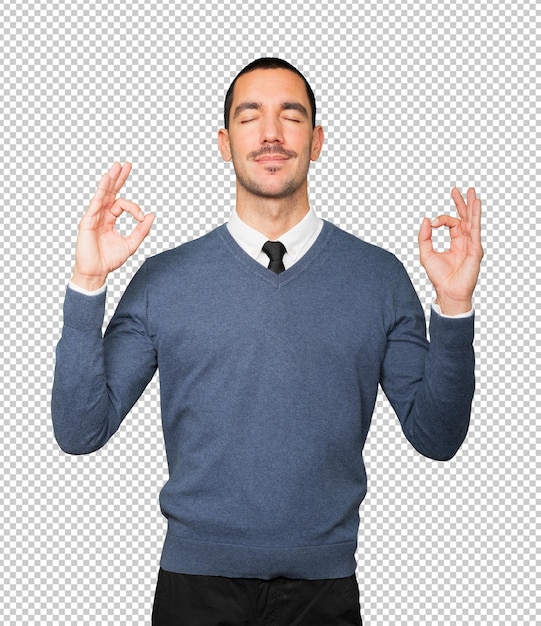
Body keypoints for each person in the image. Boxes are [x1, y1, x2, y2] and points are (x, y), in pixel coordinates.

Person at [52, 58, 483, 625]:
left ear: (318, 140)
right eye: (250, 116)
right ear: (224, 142)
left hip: (323, 592)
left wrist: (454, 307)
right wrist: (88, 281)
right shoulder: (164, 279)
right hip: (194, 589)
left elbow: (437, 437)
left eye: (292, 115)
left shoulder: (378, 278)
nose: (272, 134)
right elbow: (80, 432)